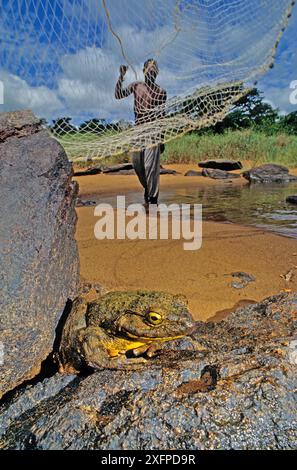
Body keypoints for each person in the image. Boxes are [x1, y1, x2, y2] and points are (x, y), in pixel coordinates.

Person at [115, 59, 167, 206]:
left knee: (151, 165)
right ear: (144, 70)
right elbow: (118, 95)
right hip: (138, 131)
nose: (151, 71)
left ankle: (153, 199)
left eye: (154, 69)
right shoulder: (136, 86)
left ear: (157, 73)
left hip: (153, 131)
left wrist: (161, 139)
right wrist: (121, 77)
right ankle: (148, 189)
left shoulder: (161, 92)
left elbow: (162, 116)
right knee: (137, 164)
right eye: (149, 68)